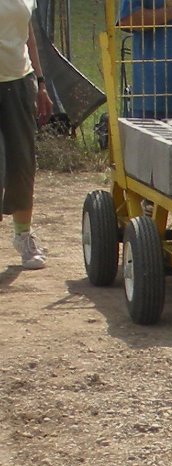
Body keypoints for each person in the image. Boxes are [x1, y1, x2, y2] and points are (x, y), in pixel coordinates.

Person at [0, 0, 54, 270]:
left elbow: (27, 35)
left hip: (19, 84)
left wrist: (41, 83)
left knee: (23, 166)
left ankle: (23, 237)